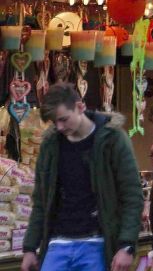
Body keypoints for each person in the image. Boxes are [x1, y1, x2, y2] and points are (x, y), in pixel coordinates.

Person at [21, 83, 143, 271]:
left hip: (97, 241)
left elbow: (132, 195)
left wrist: (126, 245)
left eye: (63, 119)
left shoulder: (113, 139)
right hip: (57, 241)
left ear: (80, 107)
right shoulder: (51, 144)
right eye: (54, 122)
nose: (59, 127)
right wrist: (30, 247)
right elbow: (41, 199)